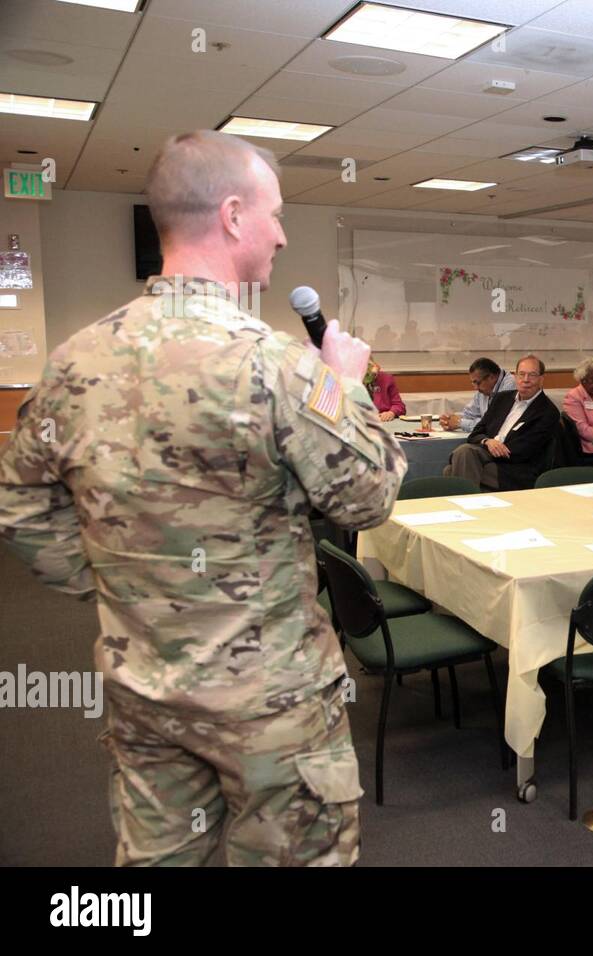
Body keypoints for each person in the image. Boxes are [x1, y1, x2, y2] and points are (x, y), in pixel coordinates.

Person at [0, 129, 406, 866]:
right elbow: (369, 497)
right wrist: (343, 386)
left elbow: (19, 505)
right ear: (232, 216)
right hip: (271, 702)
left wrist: (124, 587)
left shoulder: (74, 359)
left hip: (144, 686)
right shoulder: (279, 365)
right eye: (275, 214)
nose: (282, 235)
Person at [446, 355, 559, 490]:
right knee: (464, 455)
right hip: (488, 453)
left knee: (455, 467)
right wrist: (488, 442)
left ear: (541, 379)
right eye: (522, 374)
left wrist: (493, 448)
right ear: (515, 376)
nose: (526, 380)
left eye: (532, 375)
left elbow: (523, 451)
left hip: (515, 469)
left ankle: (464, 504)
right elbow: (476, 433)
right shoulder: (502, 399)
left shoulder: (547, 411)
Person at [440, 357, 514, 432]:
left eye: (477, 383)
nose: (475, 388)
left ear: (491, 377)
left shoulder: (510, 386)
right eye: (473, 383)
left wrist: (460, 423)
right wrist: (450, 420)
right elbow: (469, 414)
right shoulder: (484, 389)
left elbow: (495, 424)